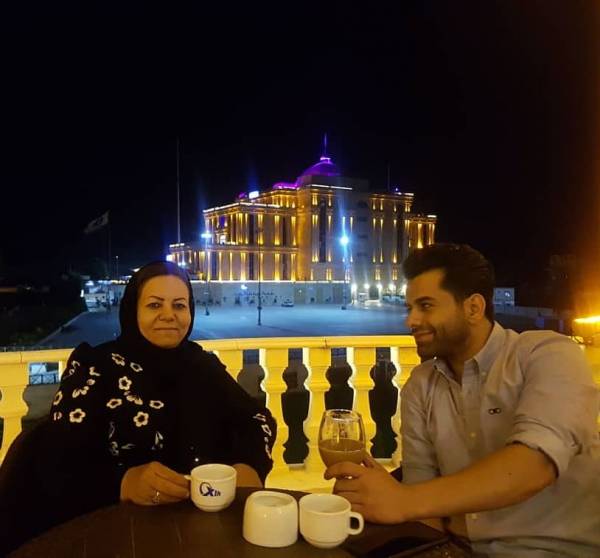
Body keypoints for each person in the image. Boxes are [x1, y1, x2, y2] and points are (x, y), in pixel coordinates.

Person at [326, 244, 600, 557]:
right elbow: (422, 505)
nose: (411, 320)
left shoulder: (546, 354)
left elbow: (536, 465)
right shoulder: (420, 386)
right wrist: (380, 497)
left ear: (473, 308)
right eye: (409, 308)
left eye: (426, 306)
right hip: (455, 549)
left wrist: (402, 500)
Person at [0, 261, 276, 555]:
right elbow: (56, 460)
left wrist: (250, 465)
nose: (169, 315)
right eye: (155, 305)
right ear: (133, 310)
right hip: (115, 536)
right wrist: (123, 483)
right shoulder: (96, 367)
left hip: (202, 534)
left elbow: (257, 418)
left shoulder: (203, 366)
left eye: (179, 305)